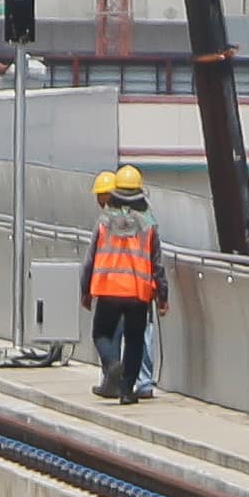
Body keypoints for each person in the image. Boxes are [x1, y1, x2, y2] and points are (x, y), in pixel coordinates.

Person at [85, 163, 165, 403]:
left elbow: (89, 259)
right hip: (138, 292)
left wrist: (85, 291)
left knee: (101, 333)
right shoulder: (149, 224)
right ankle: (127, 391)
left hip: (108, 288)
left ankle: (112, 365)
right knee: (135, 340)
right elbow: (158, 263)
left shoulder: (104, 222)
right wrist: (163, 297)